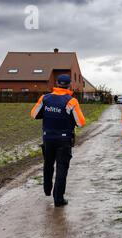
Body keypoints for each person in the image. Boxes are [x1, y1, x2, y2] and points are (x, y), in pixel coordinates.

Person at [30, 74, 85, 207]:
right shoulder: (71, 101)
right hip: (64, 140)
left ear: (56, 84)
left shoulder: (45, 98)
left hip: (48, 138)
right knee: (62, 168)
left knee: (48, 164)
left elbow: (34, 114)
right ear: (69, 85)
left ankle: (47, 189)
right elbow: (81, 122)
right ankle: (58, 199)